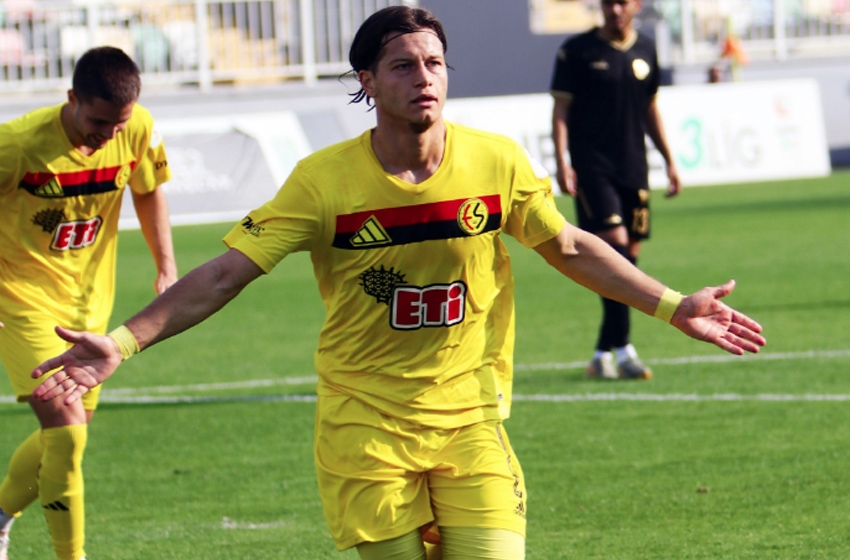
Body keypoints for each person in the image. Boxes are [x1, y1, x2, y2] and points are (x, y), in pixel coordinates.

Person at [30, 7, 764, 560]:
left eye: (435, 63)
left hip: (471, 418)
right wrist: (123, 342)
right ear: (368, 81)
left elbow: (569, 247)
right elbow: (224, 275)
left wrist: (673, 306)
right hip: (365, 426)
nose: (424, 78)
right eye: (404, 66)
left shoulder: (495, 162)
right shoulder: (323, 182)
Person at [0, 46, 177, 560]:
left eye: (118, 124)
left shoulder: (137, 128)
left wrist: (166, 265)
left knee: (68, 435)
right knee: (66, 431)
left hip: (90, 304)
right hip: (22, 301)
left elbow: (148, 189)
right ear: (72, 98)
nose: (109, 135)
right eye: (99, 122)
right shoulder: (16, 146)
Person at [550, 0, 682, 380]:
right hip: (593, 168)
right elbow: (560, 112)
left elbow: (650, 108)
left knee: (627, 263)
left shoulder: (646, 49)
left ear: (636, 5)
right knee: (616, 250)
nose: (615, 9)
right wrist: (563, 161)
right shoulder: (577, 51)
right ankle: (624, 351)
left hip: (634, 168)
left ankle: (601, 353)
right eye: (608, 2)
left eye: (622, 2)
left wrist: (669, 160)